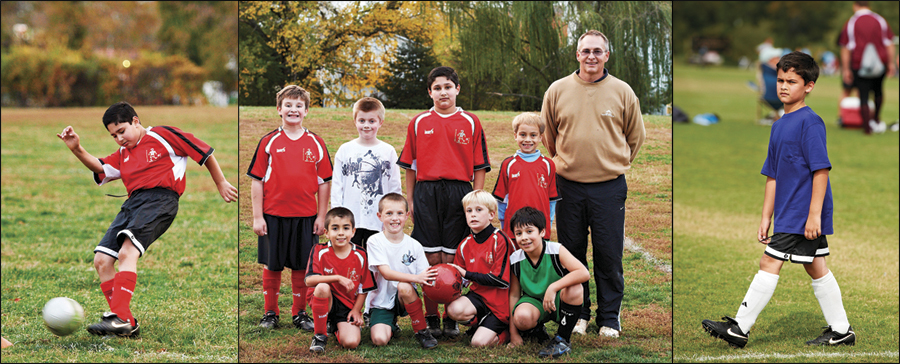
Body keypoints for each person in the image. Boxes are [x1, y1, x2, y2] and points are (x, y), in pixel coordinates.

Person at [702, 51, 854, 349]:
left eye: (792, 81)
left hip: (802, 212)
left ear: (808, 86)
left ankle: (739, 328)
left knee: (770, 259)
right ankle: (842, 330)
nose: (783, 86)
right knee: (816, 266)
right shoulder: (779, 123)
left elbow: (821, 171)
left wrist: (814, 215)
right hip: (786, 211)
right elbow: (772, 175)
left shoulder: (810, 123)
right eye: (780, 80)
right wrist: (764, 217)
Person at [57, 101, 238, 337]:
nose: (119, 139)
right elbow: (101, 168)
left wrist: (220, 182)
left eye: (122, 131)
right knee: (102, 260)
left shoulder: (162, 135)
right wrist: (76, 149)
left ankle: (120, 318)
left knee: (127, 252)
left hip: (161, 201)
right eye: (114, 136)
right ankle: (125, 322)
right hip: (133, 204)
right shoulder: (124, 153)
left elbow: (204, 153)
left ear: (135, 121)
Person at [540, 29, 645, 338]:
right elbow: (549, 134)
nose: (591, 56)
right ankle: (580, 313)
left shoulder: (623, 91)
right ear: (577, 55)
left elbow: (635, 136)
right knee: (571, 251)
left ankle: (610, 317)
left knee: (609, 253)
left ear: (606, 56)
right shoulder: (557, 90)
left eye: (597, 51)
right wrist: (565, 161)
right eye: (586, 51)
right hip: (567, 185)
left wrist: (613, 162)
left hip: (609, 186)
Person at [396, 66, 491, 339]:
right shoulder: (419, 122)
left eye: (448, 87)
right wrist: (411, 198)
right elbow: (410, 167)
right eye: (437, 88)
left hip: (459, 192)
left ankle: (451, 316)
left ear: (457, 89)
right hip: (426, 192)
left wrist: (476, 201)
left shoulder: (470, 121)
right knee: (430, 256)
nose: (443, 92)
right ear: (430, 92)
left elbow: (480, 165)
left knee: (451, 256)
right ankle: (430, 317)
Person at [247, 85, 332, 331]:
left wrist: (321, 216)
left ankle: (300, 313)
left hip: (305, 217)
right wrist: (257, 217)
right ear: (279, 109)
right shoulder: (269, 141)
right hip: (273, 216)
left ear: (306, 111)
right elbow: (257, 181)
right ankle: (270, 313)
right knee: (272, 265)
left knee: (301, 266)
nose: (293, 110)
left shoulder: (316, 142)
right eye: (288, 105)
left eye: (298, 106)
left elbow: (324, 183)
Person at [507, 207, 590, 358]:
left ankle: (562, 339)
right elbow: (513, 295)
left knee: (575, 288)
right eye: (518, 233)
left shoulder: (555, 250)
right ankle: (536, 330)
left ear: (542, 232)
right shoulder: (515, 259)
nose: (524, 237)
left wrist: (553, 287)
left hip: (557, 300)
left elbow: (583, 273)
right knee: (522, 316)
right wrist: (513, 334)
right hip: (534, 302)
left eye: (529, 231)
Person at [364, 193, 439, 349]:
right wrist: (416, 278)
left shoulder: (415, 245)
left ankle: (421, 331)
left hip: (404, 296)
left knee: (404, 286)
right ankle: (389, 323)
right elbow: (386, 273)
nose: (394, 218)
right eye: (389, 213)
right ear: (379, 216)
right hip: (381, 300)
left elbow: (426, 275)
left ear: (407, 215)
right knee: (379, 340)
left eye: (399, 213)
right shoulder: (374, 241)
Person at [331, 97, 402, 251]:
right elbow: (337, 186)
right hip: (350, 219)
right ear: (355, 121)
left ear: (380, 122)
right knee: (351, 258)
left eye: (372, 121)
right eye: (362, 120)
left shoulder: (388, 151)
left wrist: (392, 216)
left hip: (378, 220)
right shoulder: (345, 150)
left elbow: (395, 188)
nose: (366, 125)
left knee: (375, 262)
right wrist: (337, 215)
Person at [445, 190, 513, 347]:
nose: (473, 215)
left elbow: (500, 281)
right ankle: (480, 324)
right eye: (469, 211)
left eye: (479, 210)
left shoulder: (501, 240)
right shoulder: (464, 245)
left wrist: (466, 273)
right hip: (478, 297)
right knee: (454, 309)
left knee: (478, 343)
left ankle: (506, 331)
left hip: (499, 304)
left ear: (491, 215)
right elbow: (459, 281)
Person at [306, 207, 376, 353]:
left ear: (353, 231)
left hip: (347, 305)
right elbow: (310, 280)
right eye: (335, 228)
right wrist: (337, 278)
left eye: (346, 228)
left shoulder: (361, 254)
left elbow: (364, 287)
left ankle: (334, 326)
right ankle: (319, 336)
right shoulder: (319, 250)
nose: (341, 233)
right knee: (322, 286)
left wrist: (356, 311)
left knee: (351, 342)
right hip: (325, 299)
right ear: (326, 232)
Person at [491, 112, 560, 248]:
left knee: (537, 264)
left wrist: (548, 224)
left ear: (540, 137)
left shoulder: (548, 165)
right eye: (523, 134)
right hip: (514, 229)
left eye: (533, 135)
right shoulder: (509, 164)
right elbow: (502, 199)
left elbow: (551, 199)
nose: (528, 139)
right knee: (515, 264)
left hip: (539, 229)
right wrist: (505, 225)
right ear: (515, 135)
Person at [837, 1, 896, 134]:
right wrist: (891, 63)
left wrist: (846, 69)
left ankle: (866, 127)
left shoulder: (852, 22)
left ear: (855, 5)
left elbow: (845, 47)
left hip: (859, 63)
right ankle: (875, 119)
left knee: (863, 94)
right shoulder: (880, 20)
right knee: (878, 91)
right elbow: (889, 43)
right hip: (880, 63)